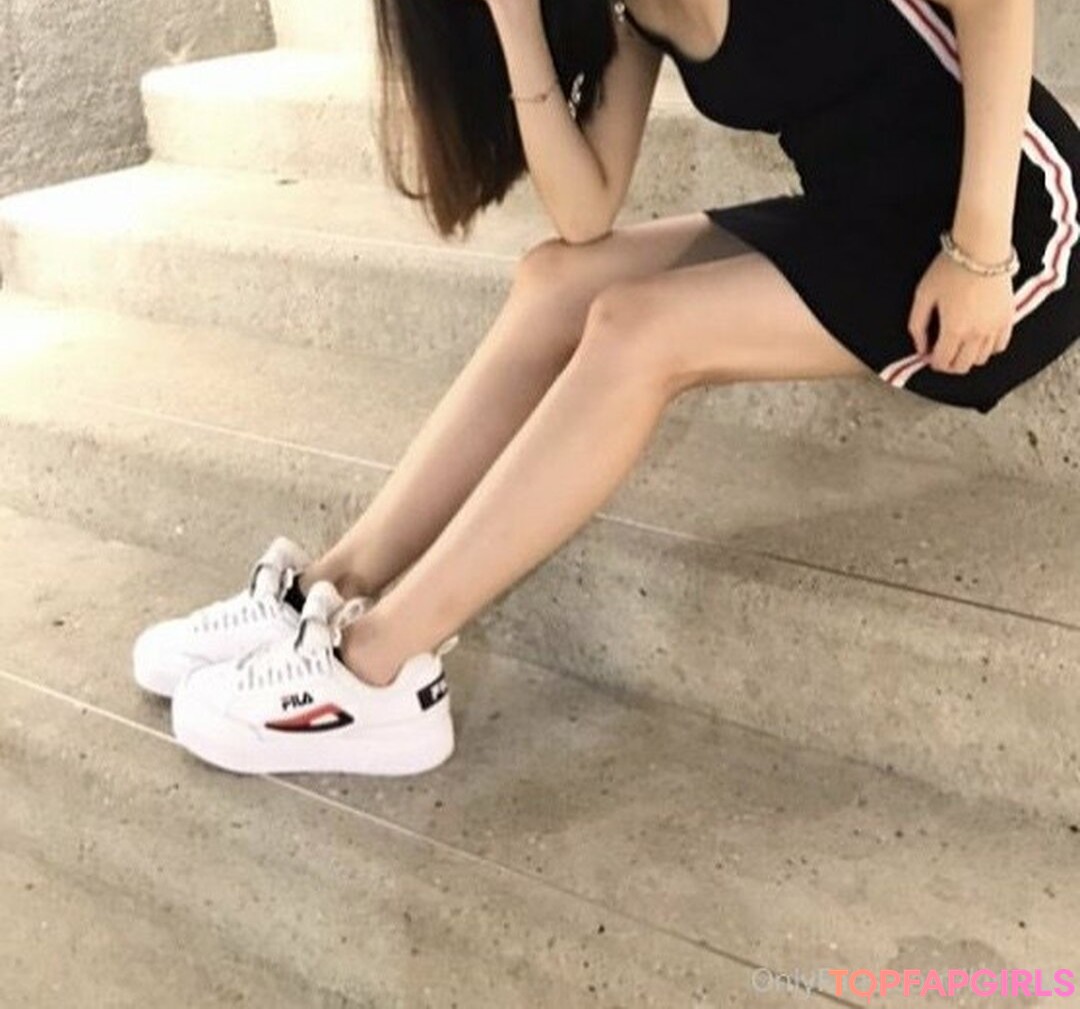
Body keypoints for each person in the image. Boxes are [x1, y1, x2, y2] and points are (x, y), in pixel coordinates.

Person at [134, 0, 1079, 776]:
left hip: (1015, 227)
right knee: (557, 281)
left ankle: (377, 670)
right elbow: (585, 213)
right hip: (854, 218)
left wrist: (980, 250)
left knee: (638, 328)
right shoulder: (640, 17)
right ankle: (332, 584)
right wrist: (516, 25)